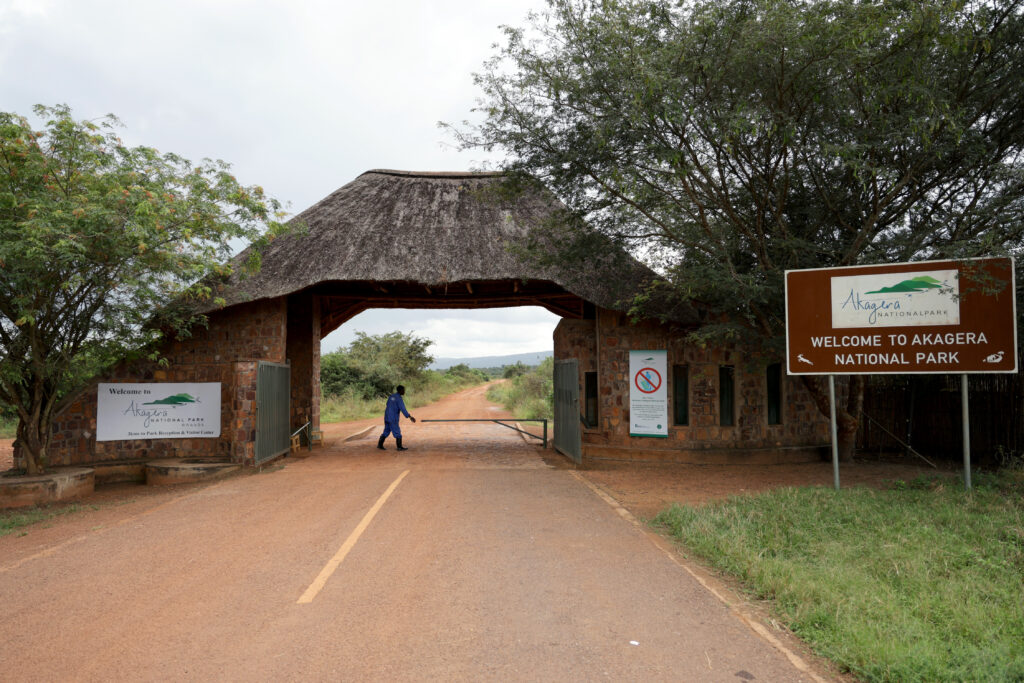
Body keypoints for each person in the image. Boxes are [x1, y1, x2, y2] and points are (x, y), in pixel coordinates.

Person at [377, 385, 416, 451]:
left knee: (386, 431)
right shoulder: (399, 398)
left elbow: (387, 404)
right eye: (403, 390)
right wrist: (409, 416)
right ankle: (399, 447)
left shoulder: (391, 396)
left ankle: (380, 445)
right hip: (393, 418)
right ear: (400, 391)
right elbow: (403, 409)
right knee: (397, 432)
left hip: (387, 416)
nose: (404, 391)